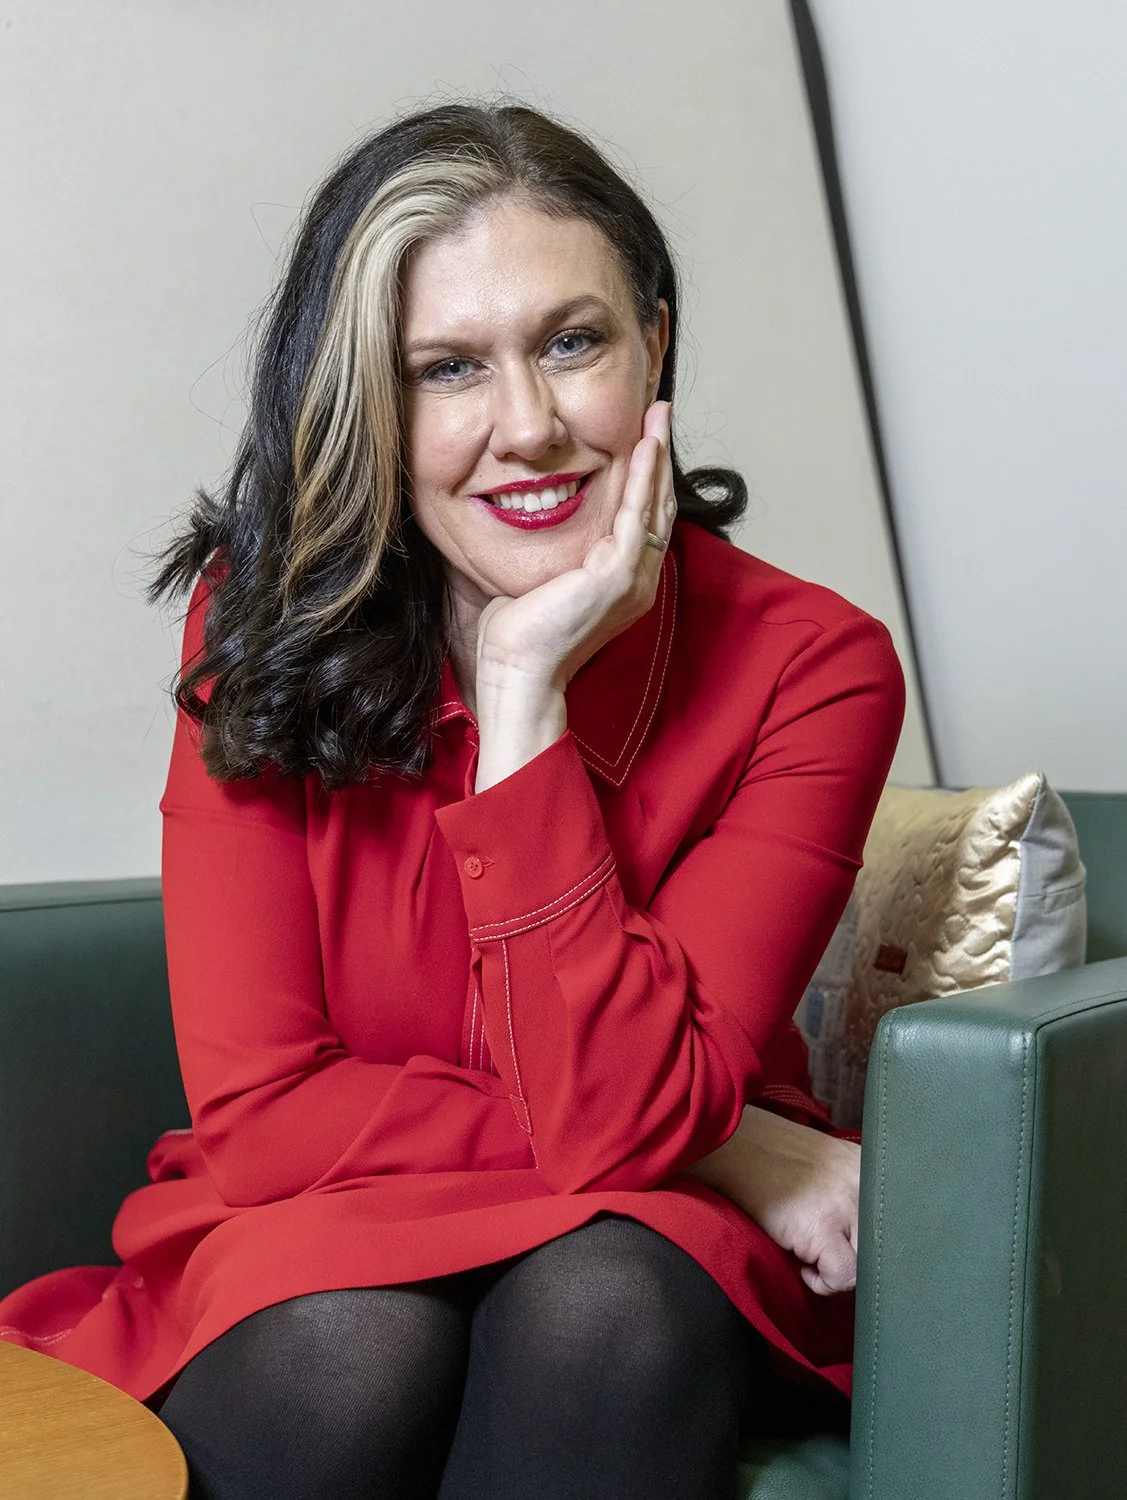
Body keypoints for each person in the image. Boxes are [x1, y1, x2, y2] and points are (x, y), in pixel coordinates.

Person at [0, 102, 904, 1497]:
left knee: (606, 1291)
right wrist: (731, 1140)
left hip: (650, 1234)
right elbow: (265, 1113)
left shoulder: (813, 666)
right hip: (342, 1216)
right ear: (370, 397)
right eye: (445, 369)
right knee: (344, 1335)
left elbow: (625, 1128)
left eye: (572, 341)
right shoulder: (260, 618)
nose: (528, 428)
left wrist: (526, 697)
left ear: (653, 344)